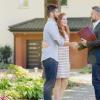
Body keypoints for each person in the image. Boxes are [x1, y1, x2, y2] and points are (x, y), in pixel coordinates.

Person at [41, 4, 76, 100]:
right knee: (50, 84)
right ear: (52, 13)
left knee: (51, 83)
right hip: (52, 57)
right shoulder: (51, 25)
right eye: (56, 12)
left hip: (53, 57)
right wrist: (71, 44)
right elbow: (59, 41)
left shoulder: (52, 25)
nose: (58, 14)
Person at [77, 6, 100, 100]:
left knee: (96, 81)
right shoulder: (94, 26)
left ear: (98, 14)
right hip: (95, 58)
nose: (90, 15)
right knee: (96, 81)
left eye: (92, 13)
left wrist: (87, 43)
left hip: (98, 58)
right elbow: (91, 42)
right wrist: (80, 45)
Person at [53, 13, 70, 100]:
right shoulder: (57, 31)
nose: (65, 21)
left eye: (66, 19)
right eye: (63, 19)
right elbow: (59, 43)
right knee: (58, 81)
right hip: (58, 57)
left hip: (65, 58)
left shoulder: (66, 30)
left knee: (65, 81)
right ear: (59, 21)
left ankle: (59, 98)